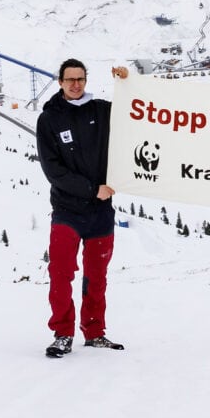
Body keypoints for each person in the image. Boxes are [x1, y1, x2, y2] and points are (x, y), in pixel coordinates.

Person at [36, 59, 129, 358]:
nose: (76, 84)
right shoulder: (49, 119)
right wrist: (92, 189)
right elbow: (53, 170)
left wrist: (128, 82)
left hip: (101, 212)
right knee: (61, 273)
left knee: (96, 276)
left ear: (86, 80)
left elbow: (135, 116)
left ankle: (94, 332)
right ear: (60, 82)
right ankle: (62, 333)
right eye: (70, 79)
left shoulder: (101, 110)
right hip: (67, 210)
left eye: (80, 79)